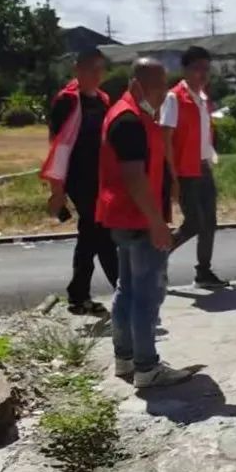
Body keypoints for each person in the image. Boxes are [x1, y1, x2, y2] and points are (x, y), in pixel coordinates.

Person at [97, 58, 195, 389]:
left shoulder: (128, 114)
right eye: (156, 89)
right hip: (137, 218)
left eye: (164, 89)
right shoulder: (129, 121)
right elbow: (133, 176)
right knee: (146, 294)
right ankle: (147, 367)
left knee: (127, 289)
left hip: (122, 216)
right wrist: (156, 222)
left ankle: (124, 359)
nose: (161, 96)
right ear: (136, 85)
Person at [41, 48, 117, 315]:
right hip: (78, 177)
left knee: (91, 234)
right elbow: (58, 145)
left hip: (102, 177)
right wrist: (57, 189)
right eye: (89, 70)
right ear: (77, 70)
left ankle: (78, 294)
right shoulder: (67, 101)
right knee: (102, 232)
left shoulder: (103, 100)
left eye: (99, 70)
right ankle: (123, 290)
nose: (95, 75)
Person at [160, 46, 228, 289]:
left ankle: (204, 272)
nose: (202, 74)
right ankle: (160, 257)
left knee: (209, 222)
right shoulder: (174, 97)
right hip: (184, 172)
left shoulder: (203, 99)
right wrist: (171, 176)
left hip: (203, 167)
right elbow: (165, 137)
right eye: (197, 69)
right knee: (194, 223)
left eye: (206, 69)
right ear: (185, 70)